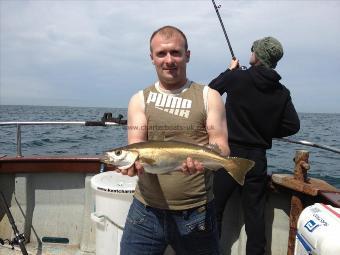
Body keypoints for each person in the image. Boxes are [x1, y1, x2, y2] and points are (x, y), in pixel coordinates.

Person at [118, 25, 230, 255]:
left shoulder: (210, 96)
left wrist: (206, 157)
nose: (169, 60)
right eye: (161, 54)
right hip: (145, 214)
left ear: (187, 55)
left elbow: (222, 147)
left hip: (197, 213)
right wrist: (132, 166)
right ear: (152, 58)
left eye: (176, 52)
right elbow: (136, 144)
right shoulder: (139, 100)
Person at [209, 36, 300, 255]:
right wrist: (266, 130)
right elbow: (292, 125)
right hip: (257, 159)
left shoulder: (237, 78)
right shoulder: (281, 92)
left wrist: (230, 73)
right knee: (256, 217)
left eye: (253, 50)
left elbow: (210, 92)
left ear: (257, 56)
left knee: (214, 210)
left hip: (229, 156)